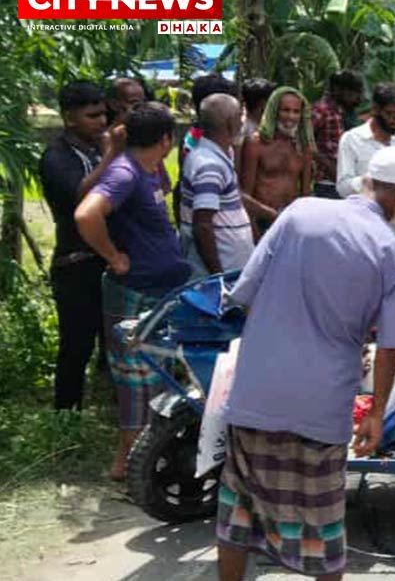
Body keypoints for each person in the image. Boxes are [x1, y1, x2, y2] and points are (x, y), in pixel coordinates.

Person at [215, 147, 395, 581]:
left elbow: (246, 291)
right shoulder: (394, 253)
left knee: (238, 512)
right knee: (322, 525)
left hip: (256, 392)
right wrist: (375, 413)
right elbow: (392, 346)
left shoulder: (298, 213)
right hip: (321, 405)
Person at [74, 102, 192, 481]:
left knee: (154, 379)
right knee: (135, 381)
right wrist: (113, 256)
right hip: (134, 290)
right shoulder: (124, 173)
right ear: (165, 140)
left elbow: (162, 188)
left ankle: (138, 463)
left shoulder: (147, 167)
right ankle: (125, 466)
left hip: (157, 289)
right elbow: (86, 214)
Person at [39, 81, 113, 410]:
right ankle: (66, 416)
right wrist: (112, 155)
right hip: (75, 262)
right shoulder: (57, 156)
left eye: (103, 115)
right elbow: (80, 198)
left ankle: (108, 404)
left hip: (105, 259)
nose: (101, 122)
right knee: (76, 346)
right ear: (69, 117)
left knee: (111, 338)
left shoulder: (95, 150)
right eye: (92, 115)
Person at [178, 93, 255, 276]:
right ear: (230, 123)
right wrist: (217, 276)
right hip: (219, 274)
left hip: (231, 269)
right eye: (239, 116)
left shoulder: (219, 154)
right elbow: (202, 225)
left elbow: (231, 197)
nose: (243, 122)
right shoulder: (209, 165)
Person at [337, 83, 395, 244]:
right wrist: (373, 182)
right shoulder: (352, 139)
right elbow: (343, 187)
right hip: (365, 235)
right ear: (376, 109)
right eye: (390, 114)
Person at [240, 86, 315, 236]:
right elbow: (245, 194)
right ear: (274, 112)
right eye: (285, 110)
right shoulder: (255, 143)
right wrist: (254, 232)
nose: (291, 117)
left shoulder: (303, 146)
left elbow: (306, 193)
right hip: (262, 220)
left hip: (291, 220)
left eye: (296, 112)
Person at [311, 70, 365, 199]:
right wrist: (324, 162)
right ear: (338, 90)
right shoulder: (322, 110)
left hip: (349, 182)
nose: (358, 97)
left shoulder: (347, 113)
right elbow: (303, 140)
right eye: (354, 93)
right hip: (328, 184)